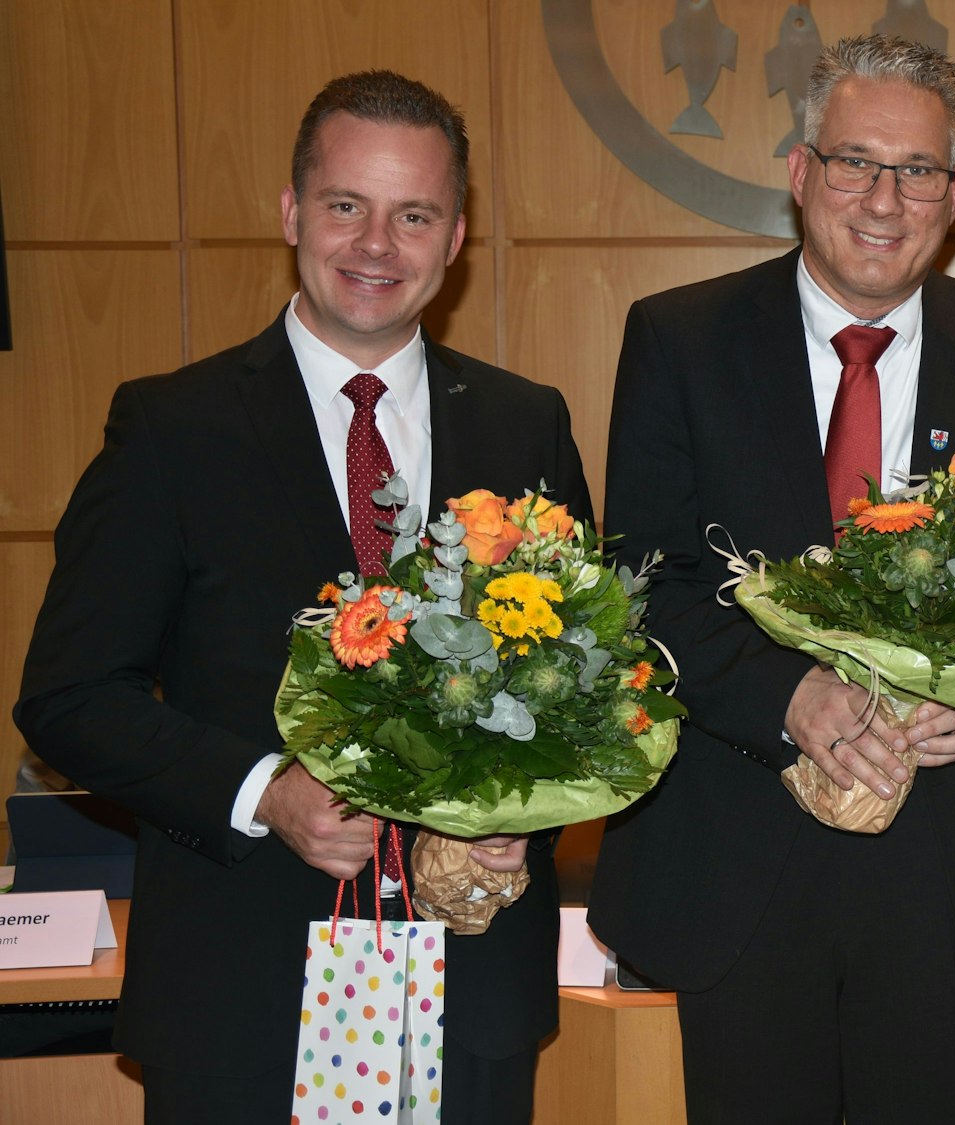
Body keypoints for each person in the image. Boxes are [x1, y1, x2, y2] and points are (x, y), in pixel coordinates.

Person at [13, 71, 589, 1124]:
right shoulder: (169, 431)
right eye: (345, 206)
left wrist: (526, 818)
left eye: (412, 214)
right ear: (290, 214)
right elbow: (68, 695)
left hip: (471, 987)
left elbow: (586, 694)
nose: (377, 244)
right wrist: (263, 791)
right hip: (242, 991)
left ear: (454, 236)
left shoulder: (526, 426)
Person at [586, 34, 955, 1125]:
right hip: (740, 865)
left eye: (916, 173)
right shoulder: (679, 339)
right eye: (854, 161)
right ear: (801, 174)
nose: (882, 199)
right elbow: (642, 585)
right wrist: (790, 697)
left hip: (934, 875)